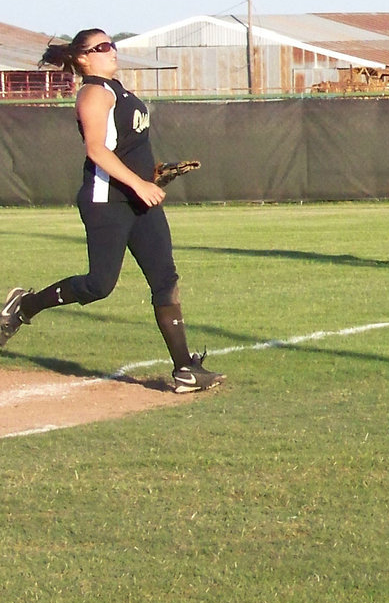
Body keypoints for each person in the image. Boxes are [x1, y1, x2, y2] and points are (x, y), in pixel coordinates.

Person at [0, 29, 224, 393]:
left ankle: (185, 369)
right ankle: (24, 307)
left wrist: (152, 175)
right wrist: (138, 184)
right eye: (101, 47)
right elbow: (96, 151)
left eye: (111, 45)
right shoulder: (93, 93)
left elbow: (125, 149)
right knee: (98, 285)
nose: (111, 51)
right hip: (107, 201)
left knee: (165, 280)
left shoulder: (121, 92)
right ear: (83, 57)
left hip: (138, 201)